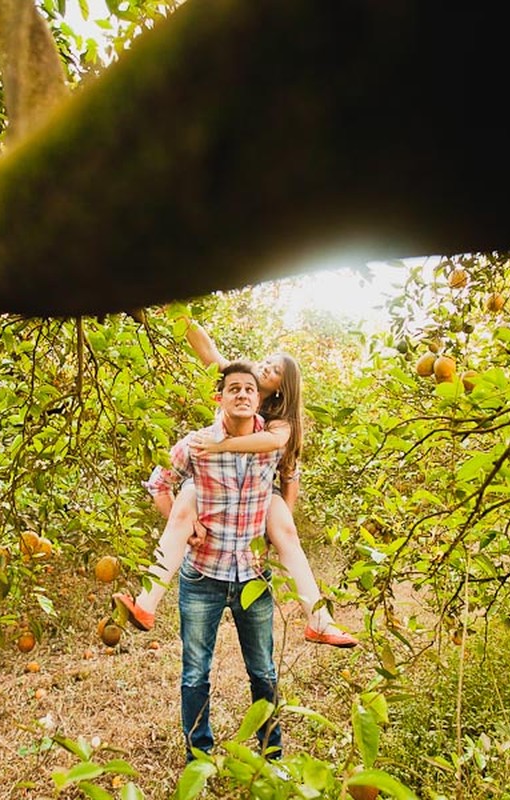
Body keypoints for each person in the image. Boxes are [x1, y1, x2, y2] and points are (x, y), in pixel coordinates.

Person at [114, 320, 358, 648]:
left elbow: (286, 470)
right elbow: (206, 347)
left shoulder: (279, 423)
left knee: (287, 532)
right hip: (212, 478)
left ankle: (319, 621)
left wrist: (282, 517)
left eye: (271, 371)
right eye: (266, 361)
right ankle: (145, 604)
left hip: (258, 489)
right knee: (184, 509)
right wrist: (182, 317)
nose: (263, 368)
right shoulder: (239, 380)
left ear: (278, 389)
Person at [160, 360, 284, 758]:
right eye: (234, 388)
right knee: (196, 672)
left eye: (250, 388)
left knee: (263, 672)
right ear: (221, 396)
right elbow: (159, 483)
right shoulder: (195, 443)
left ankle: (271, 754)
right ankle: (199, 754)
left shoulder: (271, 442)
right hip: (203, 577)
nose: (243, 394)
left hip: (253, 577)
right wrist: (186, 525)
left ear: (258, 398)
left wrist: (282, 528)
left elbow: (292, 475)